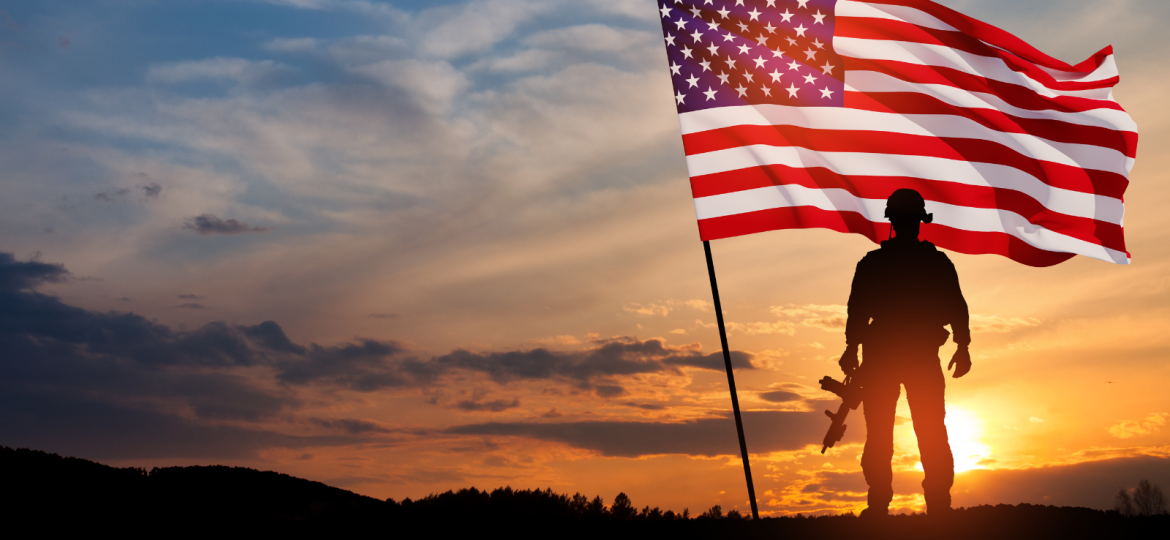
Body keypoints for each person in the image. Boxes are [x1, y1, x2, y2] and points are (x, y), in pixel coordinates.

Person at [839, 189, 972, 518]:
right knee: (915, 432)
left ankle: (897, 502)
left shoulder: (875, 264)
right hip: (907, 358)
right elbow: (957, 308)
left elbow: (857, 312)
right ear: (918, 221)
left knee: (901, 432)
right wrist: (963, 346)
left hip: (891, 358)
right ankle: (925, 504)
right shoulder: (934, 263)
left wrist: (851, 348)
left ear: (892, 222)